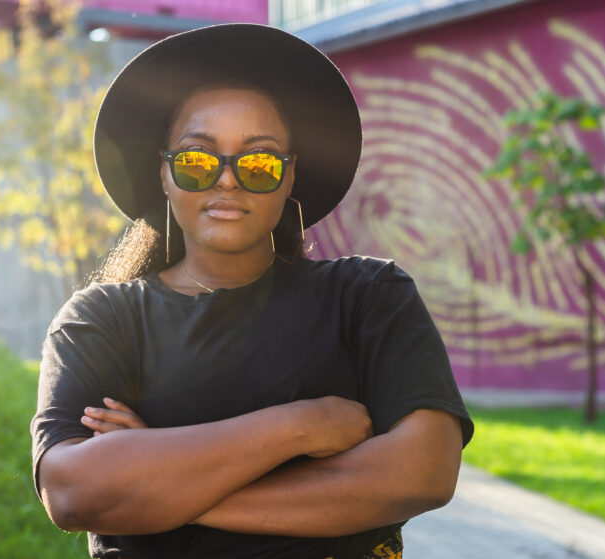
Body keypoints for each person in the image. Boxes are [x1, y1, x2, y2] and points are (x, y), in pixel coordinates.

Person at [31, 23, 474, 559]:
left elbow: (424, 472)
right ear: (165, 173)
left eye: (258, 161)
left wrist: (152, 482)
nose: (227, 180)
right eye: (197, 159)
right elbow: (73, 491)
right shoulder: (103, 319)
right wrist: (300, 426)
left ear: (289, 178)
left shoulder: (365, 297)